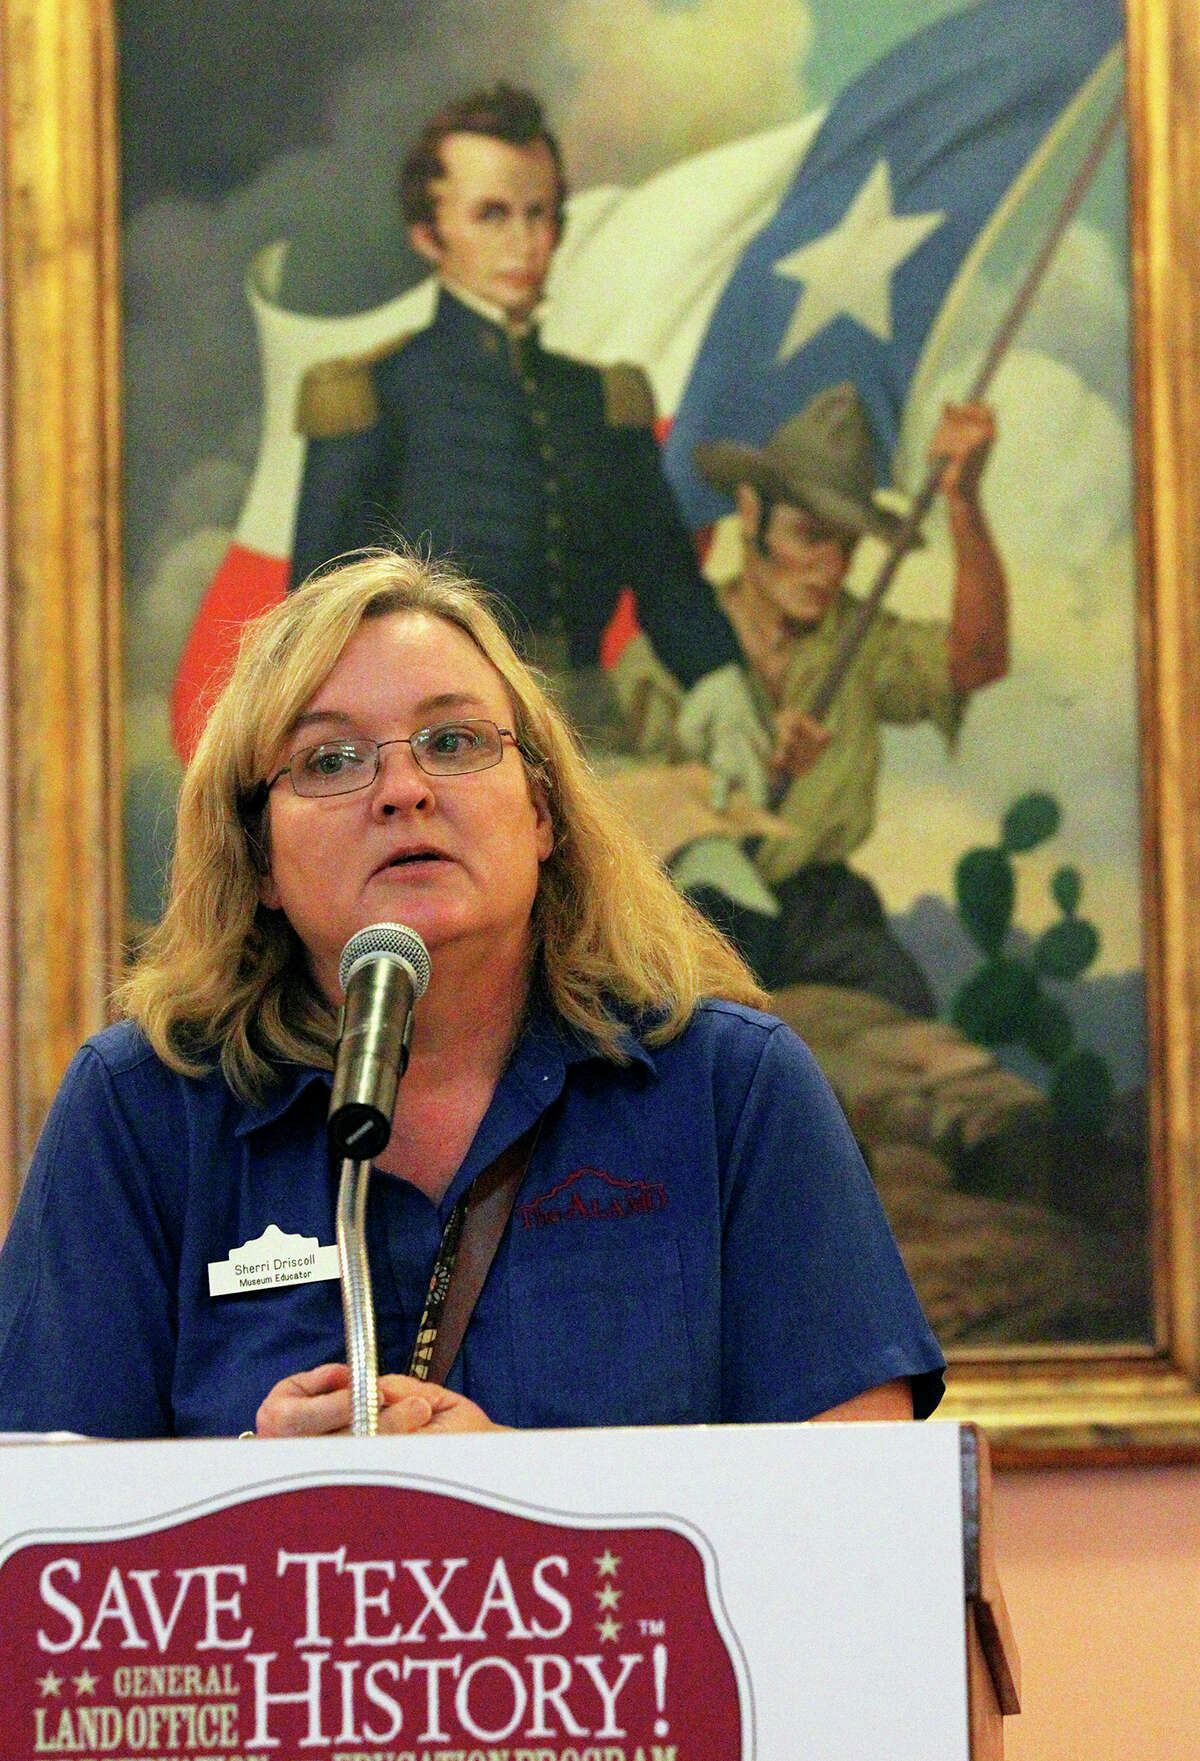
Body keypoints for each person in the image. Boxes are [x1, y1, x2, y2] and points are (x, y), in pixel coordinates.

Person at [0, 551, 944, 1439]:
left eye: (452, 741)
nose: (403, 789)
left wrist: (517, 1508)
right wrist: (253, 1490)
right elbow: (43, 1558)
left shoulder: (730, 1089)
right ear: (259, 862)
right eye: (331, 760)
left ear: (540, 810)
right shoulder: (141, 1111)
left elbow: (853, 1540)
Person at [289, 83, 737, 749]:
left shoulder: (603, 404)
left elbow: (669, 584)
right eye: (492, 215)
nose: (525, 243)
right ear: (428, 233)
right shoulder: (374, 400)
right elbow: (319, 626)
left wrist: (722, 681)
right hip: (433, 741)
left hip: (589, 737)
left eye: (541, 214)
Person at [671, 381, 1008, 1014]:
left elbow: (977, 661)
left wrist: (962, 504)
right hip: (691, 917)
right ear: (749, 512)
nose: (830, 566)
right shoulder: (672, 648)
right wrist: (748, 779)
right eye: (808, 535)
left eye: (848, 545)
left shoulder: (862, 640)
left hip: (822, 916)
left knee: (908, 1027)